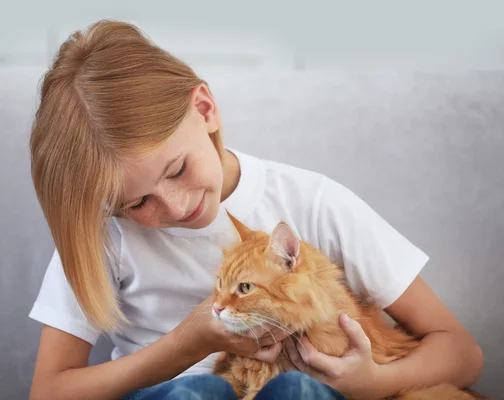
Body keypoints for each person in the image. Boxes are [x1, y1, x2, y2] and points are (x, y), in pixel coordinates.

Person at [27, 20, 483, 400]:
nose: (176, 205)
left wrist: (375, 382)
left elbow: (461, 353)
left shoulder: (312, 201)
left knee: (298, 392)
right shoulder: (107, 235)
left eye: (178, 169)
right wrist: (185, 345)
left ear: (204, 110)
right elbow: (48, 391)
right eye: (137, 203)